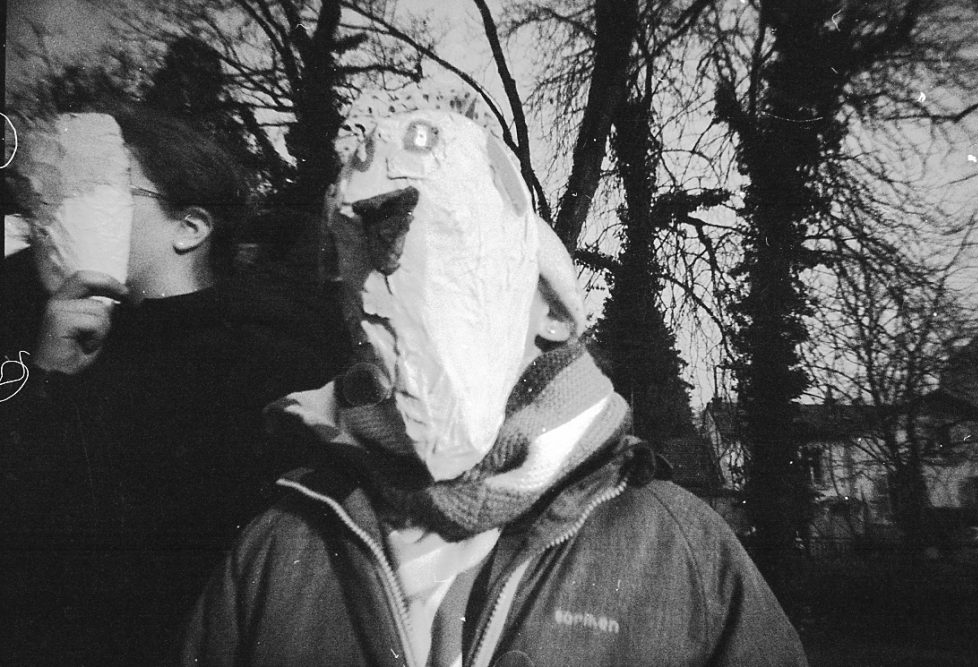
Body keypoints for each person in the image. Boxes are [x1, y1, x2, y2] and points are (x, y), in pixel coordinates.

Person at [180, 109, 807, 666]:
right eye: (353, 270)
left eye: (448, 263)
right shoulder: (278, 547)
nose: (373, 298)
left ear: (551, 311)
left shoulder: (679, 552)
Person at [0, 105, 347, 666]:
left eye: (106, 189)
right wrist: (44, 383)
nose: (67, 209)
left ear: (189, 228)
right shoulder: (48, 331)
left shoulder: (266, 361)